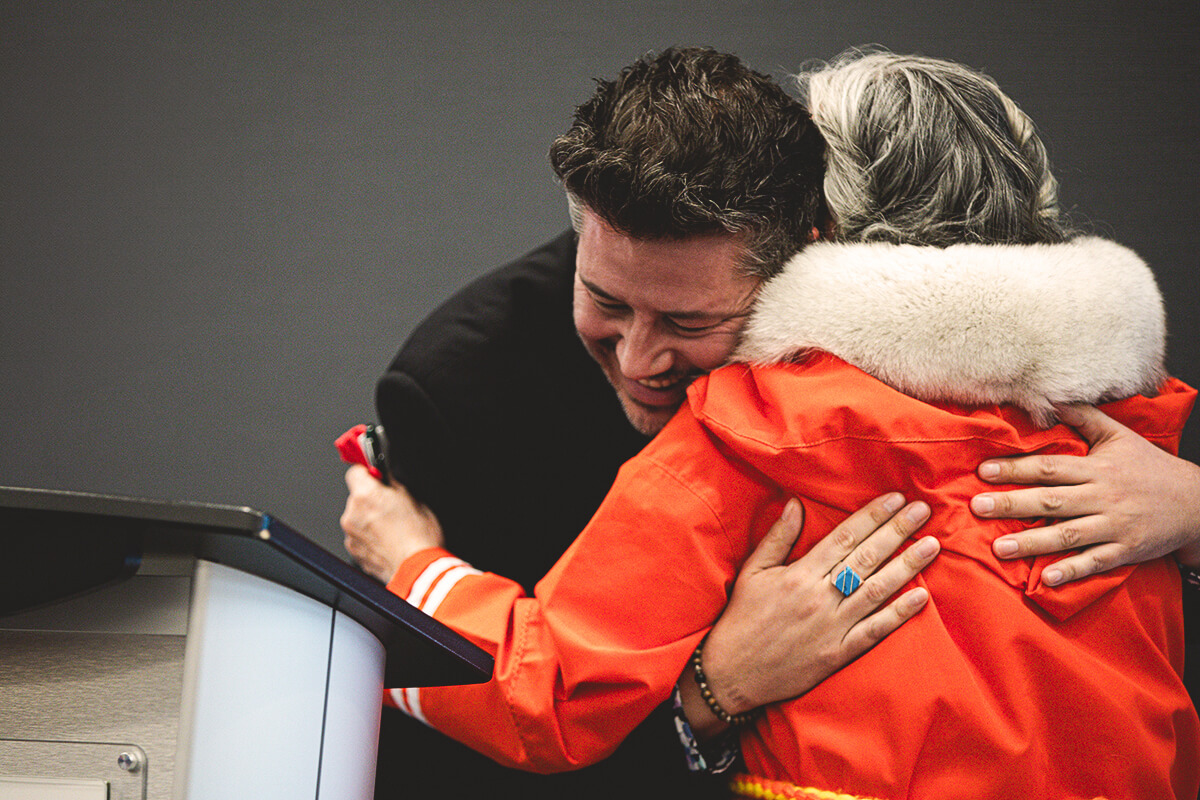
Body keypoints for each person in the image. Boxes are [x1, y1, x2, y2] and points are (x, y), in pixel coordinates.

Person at [349, 50, 1200, 799]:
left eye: (687, 324)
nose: (644, 360)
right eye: (607, 301)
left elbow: (542, 691)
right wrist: (710, 689)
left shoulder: (753, 425)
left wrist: (409, 568)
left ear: (811, 240)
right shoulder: (1134, 422)